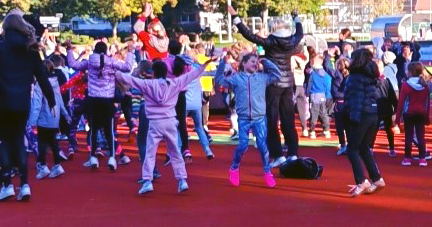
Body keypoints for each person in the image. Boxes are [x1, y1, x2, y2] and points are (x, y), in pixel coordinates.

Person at [0, 10, 56, 203]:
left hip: (3, 100)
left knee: (4, 142)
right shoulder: (31, 49)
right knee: (18, 141)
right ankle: (24, 184)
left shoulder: (0, 47)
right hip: (22, 101)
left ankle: (7, 183)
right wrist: (51, 100)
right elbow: (42, 76)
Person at [114, 56, 206, 195]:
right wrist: (204, 65)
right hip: (170, 122)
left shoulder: (148, 85)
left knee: (150, 153)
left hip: (155, 123)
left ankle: (147, 181)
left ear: (154, 73)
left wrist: (114, 72)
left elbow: (130, 79)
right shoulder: (174, 83)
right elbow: (190, 75)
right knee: (175, 152)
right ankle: (182, 180)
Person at [229, 5, 305, 166]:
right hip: (288, 82)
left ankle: (277, 154)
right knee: (288, 119)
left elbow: (248, 34)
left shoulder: (271, 42)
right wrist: (296, 16)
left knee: (271, 120)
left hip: (273, 83)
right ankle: (293, 152)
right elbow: (300, 32)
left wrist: (235, 17)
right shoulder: (292, 41)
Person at [213, 50, 278, 188]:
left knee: (262, 146)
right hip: (243, 119)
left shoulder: (262, 77)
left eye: (256, 62)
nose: (255, 64)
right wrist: (222, 63)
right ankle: (234, 168)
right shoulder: (236, 79)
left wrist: (266, 62)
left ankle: (267, 172)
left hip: (259, 118)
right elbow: (219, 80)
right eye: (252, 62)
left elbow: (277, 75)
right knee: (243, 145)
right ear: (243, 63)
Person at [66, 40, 132, 171]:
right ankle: (112, 158)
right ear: (106, 50)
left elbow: (73, 64)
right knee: (109, 130)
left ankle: (93, 157)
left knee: (94, 128)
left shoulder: (90, 62)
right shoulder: (112, 62)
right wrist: (130, 51)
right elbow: (128, 67)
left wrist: (69, 49)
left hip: (93, 99)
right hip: (108, 99)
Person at [343, 47, 385, 196]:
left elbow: (355, 100)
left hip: (360, 114)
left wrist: (350, 118)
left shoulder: (354, 77)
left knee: (352, 149)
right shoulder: (371, 76)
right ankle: (376, 177)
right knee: (364, 148)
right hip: (372, 113)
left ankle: (361, 180)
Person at [396, 62, 432, 166]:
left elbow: (401, 103)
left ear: (411, 72)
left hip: (409, 113)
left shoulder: (406, 85)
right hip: (421, 113)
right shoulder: (424, 85)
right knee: (421, 136)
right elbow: (427, 103)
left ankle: (407, 158)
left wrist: (397, 119)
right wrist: (427, 117)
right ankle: (422, 158)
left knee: (409, 136)